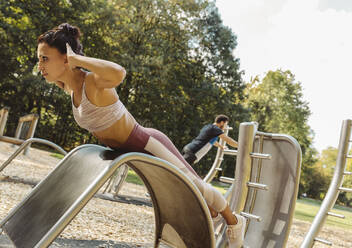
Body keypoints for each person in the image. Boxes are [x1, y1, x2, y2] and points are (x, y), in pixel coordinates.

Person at [37, 23, 246, 247]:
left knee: (196, 186)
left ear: (67, 59)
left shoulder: (94, 82)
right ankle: (213, 215)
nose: (40, 65)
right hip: (128, 149)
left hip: (147, 143)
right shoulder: (68, 86)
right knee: (189, 191)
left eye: (45, 58)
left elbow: (118, 72)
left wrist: (77, 60)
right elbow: (67, 77)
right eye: (39, 59)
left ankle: (235, 223)